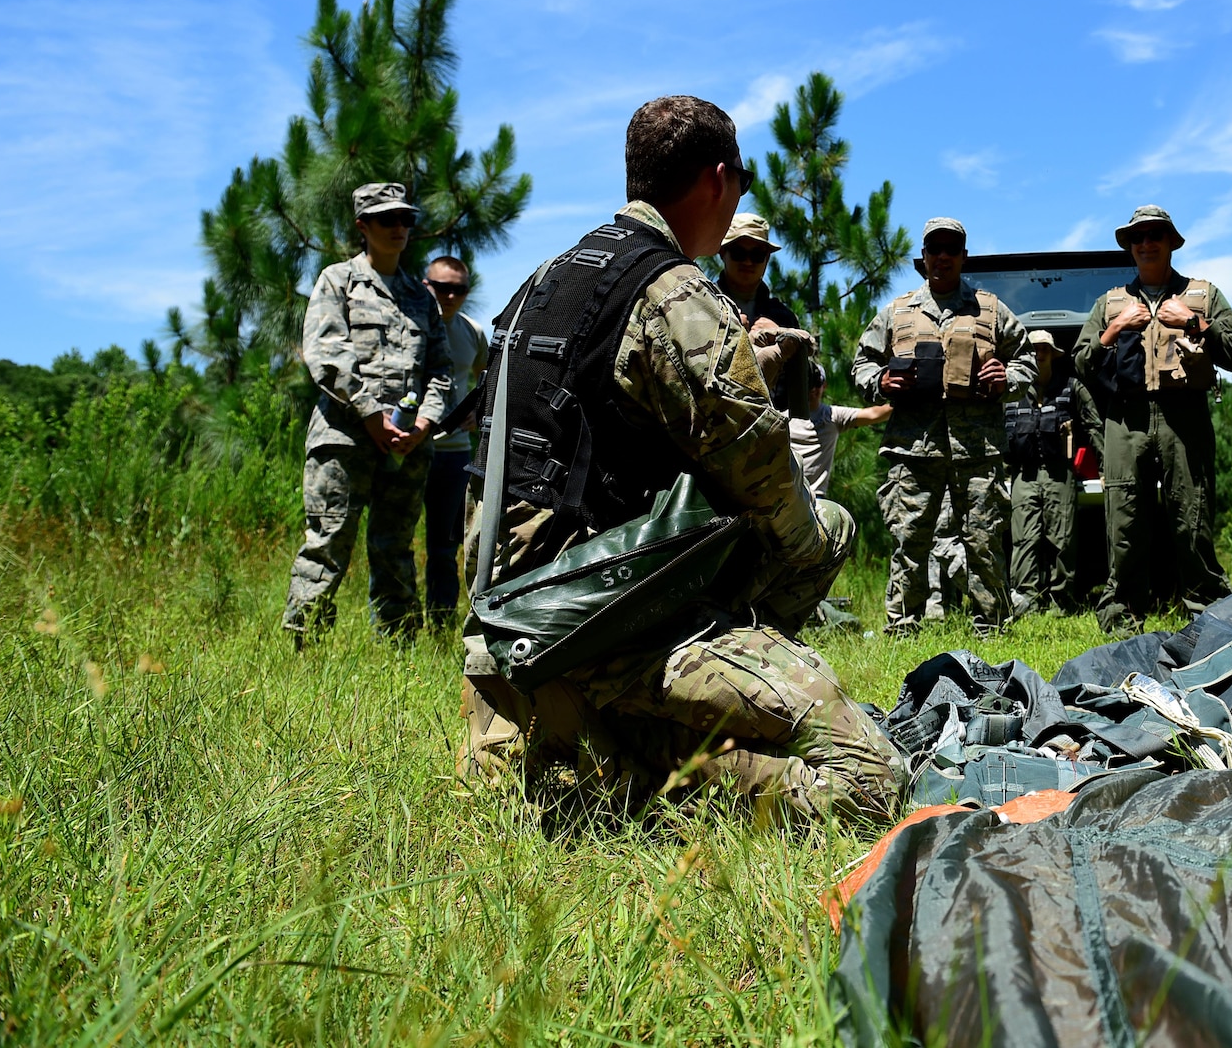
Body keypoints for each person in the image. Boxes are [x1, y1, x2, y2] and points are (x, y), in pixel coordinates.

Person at [457, 96, 901, 823]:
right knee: (868, 778)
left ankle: (601, 726)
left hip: (507, 612)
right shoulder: (672, 288)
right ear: (717, 179)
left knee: (815, 528)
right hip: (605, 614)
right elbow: (762, 472)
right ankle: (642, 755)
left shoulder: (548, 276)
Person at [282, 182, 452, 646]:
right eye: (387, 220)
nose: (399, 227)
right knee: (328, 541)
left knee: (395, 547)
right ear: (363, 226)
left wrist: (425, 422)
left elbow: (440, 368)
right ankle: (304, 645)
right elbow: (327, 355)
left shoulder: (421, 298)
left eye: (406, 220)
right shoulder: (337, 281)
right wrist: (370, 412)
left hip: (407, 445)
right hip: (344, 438)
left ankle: (399, 645)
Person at [853, 218, 1034, 632]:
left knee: (984, 537)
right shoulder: (897, 313)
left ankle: (991, 623)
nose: (943, 256)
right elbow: (861, 363)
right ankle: (904, 625)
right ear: (924, 257)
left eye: (952, 248)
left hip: (978, 448)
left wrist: (1007, 378)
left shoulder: (990, 310)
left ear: (963, 257)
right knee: (909, 536)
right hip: (913, 447)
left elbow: (1025, 359)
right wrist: (880, 381)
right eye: (935, 248)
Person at [1073, 205, 1232, 627]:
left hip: (1184, 419)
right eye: (1138, 238)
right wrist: (1113, 332)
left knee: (1192, 519)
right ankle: (1122, 617)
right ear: (1130, 248)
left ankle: (1208, 618)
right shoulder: (1110, 303)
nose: (1146, 243)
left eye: (1155, 235)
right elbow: (1080, 363)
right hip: (1125, 420)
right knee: (1125, 522)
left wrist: (1193, 322)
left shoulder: (1202, 295)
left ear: (1171, 242)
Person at [1006, 329, 1098, 616]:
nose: (1039, 353)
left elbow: (1094, 426)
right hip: (1024, 473)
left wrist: (1106, 468)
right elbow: (995, 436)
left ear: (1052, 353)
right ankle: (1026, 602)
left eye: (1044, 348)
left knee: (1063, 539)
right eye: (1034, 349)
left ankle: (1062, 602)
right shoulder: (1011, 392)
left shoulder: (1072, 388)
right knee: (1024, 539)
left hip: (1061, 472)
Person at [423, 255, 488, 627]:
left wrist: (478, 413)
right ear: (425, 286)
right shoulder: (412, 328)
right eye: (441, 287)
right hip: (410, 449)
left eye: (458, 289)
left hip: (454, 454)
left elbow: (486, 378)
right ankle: (392, 625)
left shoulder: (471, 332)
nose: (450, 296)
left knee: (446, 547)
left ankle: (439, 621)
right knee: (393, 541)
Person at [715, 212, 814, 408]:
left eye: (757, 255)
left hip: (770, 427)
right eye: (738, 253)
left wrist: (784, 342)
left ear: (767, 259)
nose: (748, 262)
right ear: (722, 254)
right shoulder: (703, 304)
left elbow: (806, 380)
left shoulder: (783, 316)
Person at [788, 361, 890, 498]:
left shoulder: (833, 416)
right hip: (784, 495)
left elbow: (873, 414)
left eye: (817, 382)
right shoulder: (782, 417)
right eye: (808, 383)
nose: (813, 389)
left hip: (815, 498)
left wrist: (913, 397)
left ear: (825, 385)